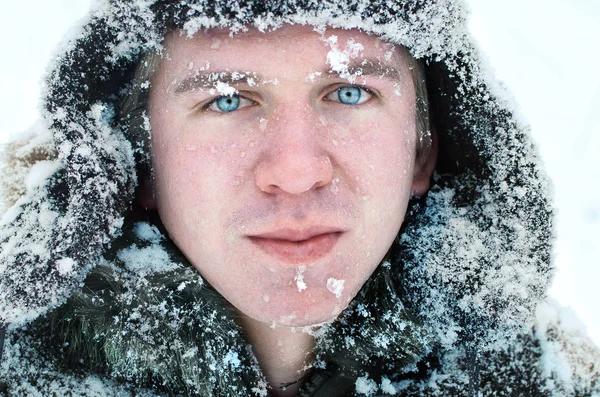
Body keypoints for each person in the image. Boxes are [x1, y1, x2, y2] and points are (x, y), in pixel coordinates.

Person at [0, 0, 598, 396]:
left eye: (349, 93)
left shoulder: (543, 381)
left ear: (423, 147)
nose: (296, 171)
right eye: (227, 100)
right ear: (141, 163)